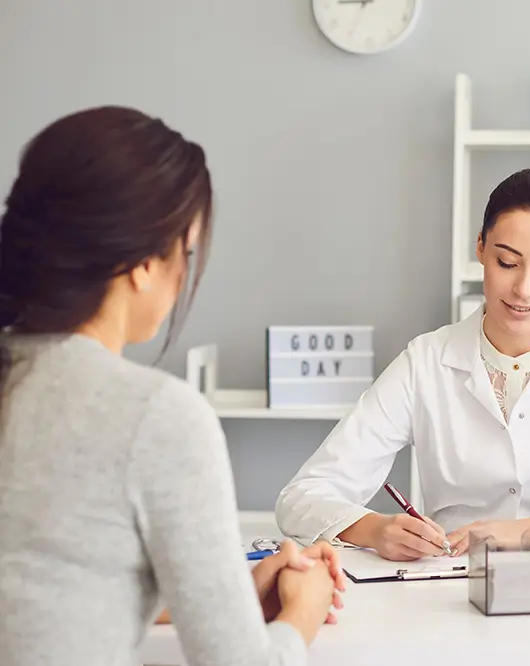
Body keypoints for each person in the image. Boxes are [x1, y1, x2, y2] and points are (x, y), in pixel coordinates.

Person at [0, 107, 346, 666]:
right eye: (184, 253)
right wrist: (303, 609)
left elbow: (48, 589)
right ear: (141, 264)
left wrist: (225, 593)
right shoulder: (154, 415)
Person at [275, 168, 530, 562]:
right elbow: (303, 496)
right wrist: (373, 529)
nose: (524, 289)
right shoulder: (425, 363)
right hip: (451, 588)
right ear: (480, 247)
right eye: (507, 263)